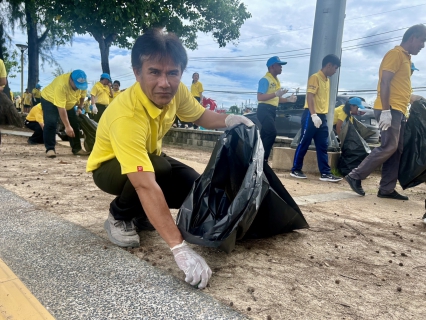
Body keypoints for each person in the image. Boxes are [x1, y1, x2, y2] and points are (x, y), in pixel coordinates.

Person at [86, 29, 253, 289]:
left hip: (149, 158)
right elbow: (144, 184)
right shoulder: (126, 115)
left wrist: (230, 120)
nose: (164, 82)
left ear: (180, 73)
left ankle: (142, 215)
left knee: (195, 185)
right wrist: (179, 247)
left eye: (172, 73)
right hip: (109, 167)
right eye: (154, 72)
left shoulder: (177, 92)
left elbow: (199, 116)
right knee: (159, 170)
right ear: (137, 72)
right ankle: (118, 216)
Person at [345, 24, 426, 200]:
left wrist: (414, 99)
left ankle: (387, 189)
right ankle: (355, 175)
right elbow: (385, 82)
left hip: (399, 110)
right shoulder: (395, 54)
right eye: (422, 41)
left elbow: (399, 87)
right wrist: (386, 111)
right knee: (389, 146)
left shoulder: (406, 59)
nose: (423, 45)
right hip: (389, 109)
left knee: (397, 150)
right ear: (413, 37)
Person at [290, 54, 342, 182]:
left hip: (322, 116)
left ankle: (325, 173)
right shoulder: (315, 77)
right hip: (311, 114)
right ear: (328, 65)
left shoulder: (327, 80)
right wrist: (313, 115)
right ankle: (296, 169)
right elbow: (310, 96)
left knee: (322, 145)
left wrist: (320, 116)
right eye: (335, 68)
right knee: (304, 142)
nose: (335, 71)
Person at [41, 69, 90, 158]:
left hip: (68, 103)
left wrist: (79, 107)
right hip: (49, 99)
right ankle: (50, 149)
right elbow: (61, 108)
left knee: (74, 124)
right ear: (70, 80)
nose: (78, 87)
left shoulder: (82, 85)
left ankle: (77, 149)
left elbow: (82, 97)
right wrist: (67, 126)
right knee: (51, 122)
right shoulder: (61, 85)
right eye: (76, 85)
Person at [257, 56, 297, 162]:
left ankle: (258, 157)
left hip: (272, 110)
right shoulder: (265, 80)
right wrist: (275, 94)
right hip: (264, 109)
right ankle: (263, 159)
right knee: (271, 133)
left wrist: (288, 100)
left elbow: (277, 99)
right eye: (279, 65)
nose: (281, 67)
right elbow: (260, 97)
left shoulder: (276, 80)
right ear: (272, 66)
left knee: (264, 135)